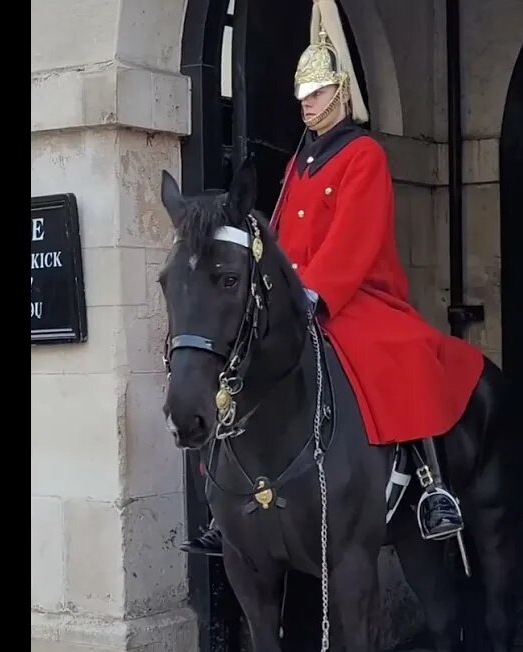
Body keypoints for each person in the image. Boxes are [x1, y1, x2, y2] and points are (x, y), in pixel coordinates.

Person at [182, 0, 485, 556]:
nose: (307, 106)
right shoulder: (302, 160)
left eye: (317, 94)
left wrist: (314, 290)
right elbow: (279, 236)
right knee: (238, 367)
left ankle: (431, 486)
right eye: (302, 97)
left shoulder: (362, 153)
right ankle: (223, 503)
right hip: (299, 295)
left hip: (356, 292)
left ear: (341, 92)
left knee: (405, 351)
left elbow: (357, 236)